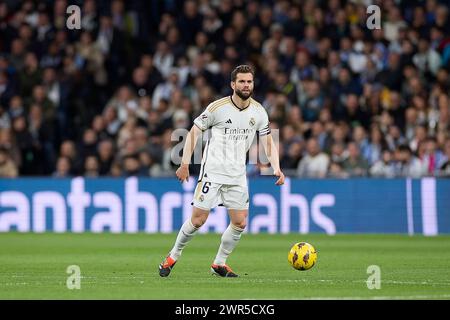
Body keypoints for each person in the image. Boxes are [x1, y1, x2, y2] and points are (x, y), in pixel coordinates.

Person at [158, 65, 285, 277]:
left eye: (249, 82)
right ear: (233, 84)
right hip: (213, 171)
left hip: (237, 175)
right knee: (198, 220)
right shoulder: (217, 108)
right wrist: (184, 163)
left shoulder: (259, 111)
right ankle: (173, 255)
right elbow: (193, 133)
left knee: (240, 222)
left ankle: (219, 263)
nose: (246, 85)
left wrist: (277, 168)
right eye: (242, 81)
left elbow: (268, 143)